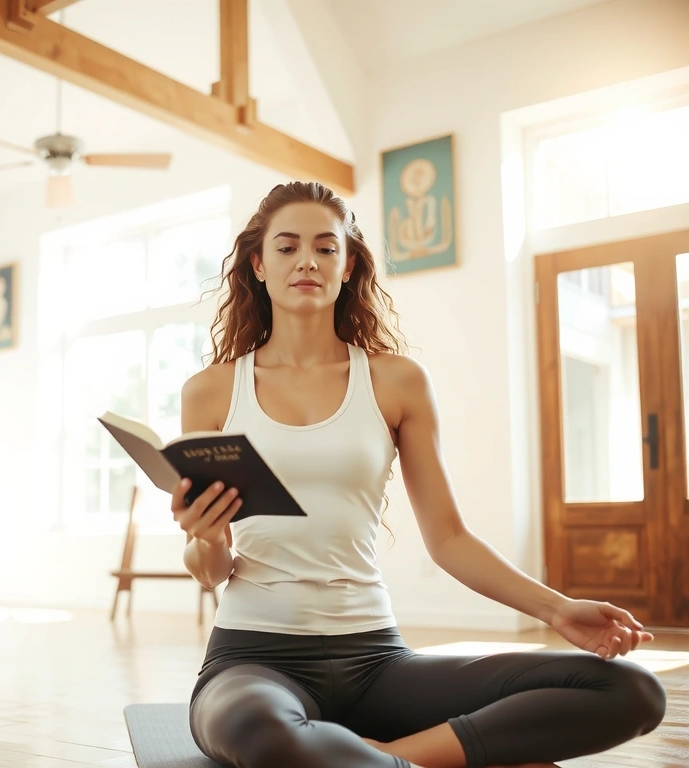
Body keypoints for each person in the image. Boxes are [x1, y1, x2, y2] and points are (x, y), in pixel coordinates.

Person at [170, 181, 666, 768]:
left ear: (349, 264)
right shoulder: (211, 392)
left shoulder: (395, 381)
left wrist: (556, 610)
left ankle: (387, 758)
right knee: (269, 740)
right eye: (287, 247)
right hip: (252, 660)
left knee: (630, 690)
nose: (307, 260)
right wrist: (202, 536)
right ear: (258, 263)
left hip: (377, 661)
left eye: (326, 247)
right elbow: (212, 571)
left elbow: (449, 539)